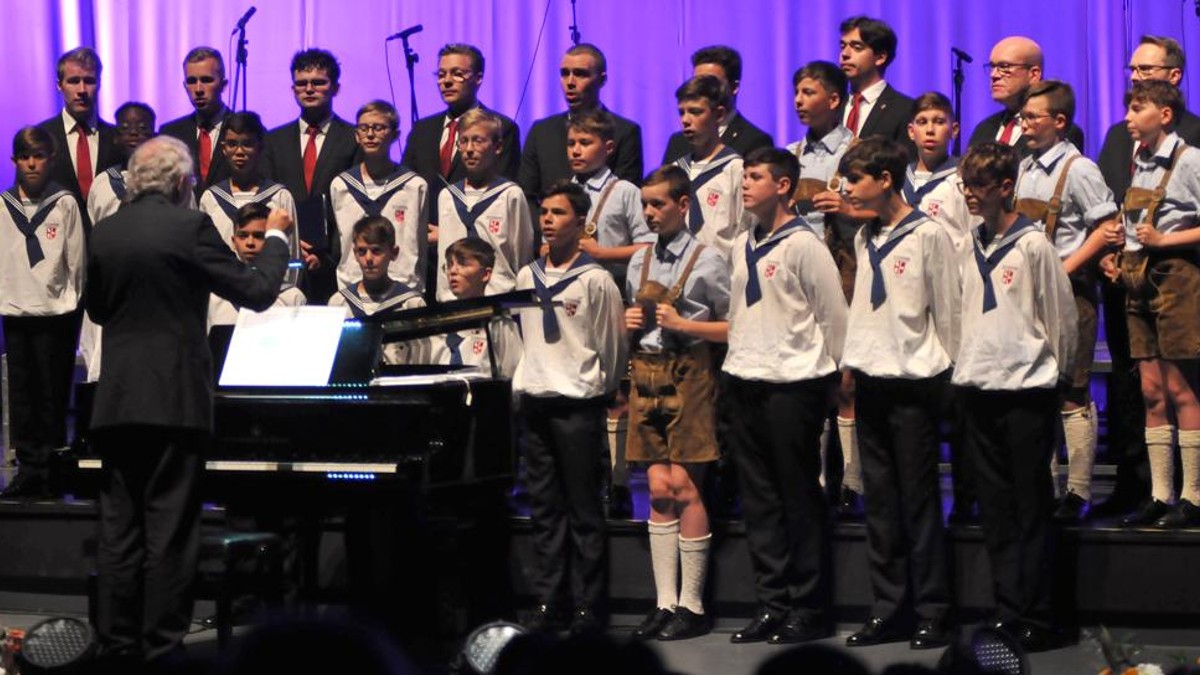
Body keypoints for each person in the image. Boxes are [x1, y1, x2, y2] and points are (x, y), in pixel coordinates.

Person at [85, 135, 292, 665]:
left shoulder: (105, 232)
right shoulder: (190, 226)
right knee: (170, 532)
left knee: (119, 531)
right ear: (181, 183)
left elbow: (102, 311)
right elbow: (257, 291)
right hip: (175, 400)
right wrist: (273, 237)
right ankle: (161, 652)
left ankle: (115, 648)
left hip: (118, 400)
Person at [952, 141, 1076, 652]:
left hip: (1026, 389)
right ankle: (1008, 607)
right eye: (965, 188)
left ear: (1006, 188)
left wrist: (1060, 376)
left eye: (978, 188)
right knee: (996, 509)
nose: (970, 198)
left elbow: (1060, 317)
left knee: (1030, 508)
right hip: (978, 387)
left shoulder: (1033, 246)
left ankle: (1039, 616)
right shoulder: (967, 244)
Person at [838, 138, 958, 650]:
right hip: (872, 378)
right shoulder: (866, 237)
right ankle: (889, 608)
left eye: (855, 179)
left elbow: (948, 311)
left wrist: (952, 377)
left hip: (915, 382)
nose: (845, 189)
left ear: (886, 179)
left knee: (919, 501)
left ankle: (932, 609)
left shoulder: (929, 235)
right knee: (880, 502)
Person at [726, 147, 847, 644]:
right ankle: (771, 604)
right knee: (759, 501)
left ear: (783, 186)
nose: (745, 185)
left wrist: (836, 378)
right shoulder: (741, 242)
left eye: (755, 177)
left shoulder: (804, 245)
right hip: (745, 379)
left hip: (794, 384)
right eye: (744, 177)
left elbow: (833, 315)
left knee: (799, 497)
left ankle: (808, 607)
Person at [1094, 35, 1200, 518]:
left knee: (1181, 389)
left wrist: (1162, 242)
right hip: (1136, 281)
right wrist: (1120, 250)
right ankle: (1160, 494)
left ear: (1165, 112)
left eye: (1138, 107)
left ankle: (1193, 494)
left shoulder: (1191, 156)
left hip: (1178, 281)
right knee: (1151, 390)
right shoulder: (1133, 154)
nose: (1127, 116)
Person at [515, 181, 626, 636]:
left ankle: (588, 606)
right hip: (538, 401)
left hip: (578, 405)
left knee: (583, 510)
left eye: (558, 213)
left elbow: (612, 344)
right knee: (545, 509)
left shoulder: (595, 279)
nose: (547, 220)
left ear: (580, 224)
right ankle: (550, 601)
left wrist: (605, 387)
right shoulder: (526, 276)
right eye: (544, 212)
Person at [625, 165, 729, 642]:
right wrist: (629, 324)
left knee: (686, 486)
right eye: (645, 204)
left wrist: (686, 326)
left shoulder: (709, 259)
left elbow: (732, 325)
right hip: (646, 371)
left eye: (658, 204)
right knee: (658, 486)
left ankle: (693, 603)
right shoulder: (638, 260)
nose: (649, 213)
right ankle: (664, 601)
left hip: (690, 371)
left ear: (683, 205)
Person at [1013, 80, 1120, 522]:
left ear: (1059, 122)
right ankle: (1044, 486)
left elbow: (1108, 227)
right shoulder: (1025, 166)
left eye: (1032, 118)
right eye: (1022, 117)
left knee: (1073, 388)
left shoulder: (1079, 169)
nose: (1025, 125)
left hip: (1069, 291)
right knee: (1037, 389)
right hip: (1026, 293)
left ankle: (1077, 492)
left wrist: (1065, 268)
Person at [787, 60, 867, 517]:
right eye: (797, 92)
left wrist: (847, 205)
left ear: (834, 99)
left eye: (809, 92)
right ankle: (815, 479)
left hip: (846, 267)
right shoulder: (791, 153)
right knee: (811, 374)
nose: (800, 100)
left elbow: (889, 209)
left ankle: (851, 481)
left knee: (846, 378)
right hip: (800, 271)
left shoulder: (858, 152)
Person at [0, 127, 86, 498]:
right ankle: (28, 467)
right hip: (15, 311)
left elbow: (77, 260)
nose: (32, 164)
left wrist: (71, 302)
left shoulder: (64, 202)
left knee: (52, 393)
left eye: (39, 157)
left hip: (55, 314)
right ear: (15, 161)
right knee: (22, 394)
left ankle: (52, 465)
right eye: (25, 157)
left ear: (51, 160)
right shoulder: (3, 205)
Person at [262, 48, 361, 305]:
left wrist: (326, 254)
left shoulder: (354, 138)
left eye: (318, 82)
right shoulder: (273, 140)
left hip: (337, 263)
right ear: (293, 89)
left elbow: (356, 204)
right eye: (302, 83)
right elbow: (268, 198)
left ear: (335, 88)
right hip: (285, 257)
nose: (309, 89)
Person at [81, 101, 157, 384]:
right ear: (115, 137)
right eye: (126, 128)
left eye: (143, 128)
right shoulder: (102, 184)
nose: (135, 134)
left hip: (153, 289)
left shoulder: (171, 181)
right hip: (111, 288)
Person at [402, 43, 520, 219]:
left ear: (478, 78)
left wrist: (450, 229)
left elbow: (501, 193)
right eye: (441, 75)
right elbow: (406, 187)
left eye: (457, 74)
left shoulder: (502, 127)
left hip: (475, 235)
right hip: (425, 238)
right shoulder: (422, 130)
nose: (446, 81)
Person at [519, 44, 643, 202]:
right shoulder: (541, 131)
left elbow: (626, 198)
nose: (570, 82)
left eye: (580, 74)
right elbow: (526, 197)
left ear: (602, 79)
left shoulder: (625, 131)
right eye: (564, 73)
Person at [435, 108, 534, 302]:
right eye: (464, 141)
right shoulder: (447, 196)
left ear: (497, 146)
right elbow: (443, 258)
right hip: (452, 304)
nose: (469, 149)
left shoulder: (510, 195)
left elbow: (521, 257)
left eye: (478, 141)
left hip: (498, 301)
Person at [330, 100, 428, 294]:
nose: (370, 134)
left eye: (379, 128)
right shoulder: (341, 185)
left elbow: (420, 246)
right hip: (353, 287)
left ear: (395, 135)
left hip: (403, 288)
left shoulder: (414, 186)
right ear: (357, 136)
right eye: (364, 128)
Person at [199, 112, 300, 276]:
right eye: (232, 144)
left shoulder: (280, 196)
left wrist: (284, 297)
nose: (239, 151)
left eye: (247, 144)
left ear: (260, 147)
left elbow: (292, 259)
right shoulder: (210, 199)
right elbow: (204, 257)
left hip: (272, 295)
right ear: (223, 149)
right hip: (223, 295)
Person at [328, 215, 428, 365]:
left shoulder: (411, 304)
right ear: (354, 254)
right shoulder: (339, 304)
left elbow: (423, 360)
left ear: (393, 253)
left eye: (376, 251)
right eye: (362, 251)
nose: (368, 258)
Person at [672, 75, 753, 258]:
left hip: (723, 274)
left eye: (695, 112)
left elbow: (745, 229)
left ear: (719, 115)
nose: (685, 120)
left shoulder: (736, 169)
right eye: (681, 112)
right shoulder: (676, 169)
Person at [967, 36, 1084, 154]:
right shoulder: (983, 129)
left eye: (1004, 67)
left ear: (1033, 74)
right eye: (992, 67)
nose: (994, 75)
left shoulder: (1057, 131)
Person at [36, 47, 117, 210]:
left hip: (109, 234)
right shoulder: (40, 138)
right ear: (59, 85)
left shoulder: (117, 138)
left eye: (89, 81)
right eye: (73, 81)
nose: (81, 90)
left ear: (99, 84)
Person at [661, 46, 773, 163]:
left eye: (711, 82)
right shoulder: (678, 142)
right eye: (698, 81)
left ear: (734, 87)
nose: (702, 89)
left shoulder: (755, 141)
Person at [430, 237, 522, 377]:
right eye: (449, 265)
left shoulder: (498, 322)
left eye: (463, 264)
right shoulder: (438, 324)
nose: (453, 271)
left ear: (485, 274)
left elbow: (511, 371)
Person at [208, 202, 307, 330]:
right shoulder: (215, 299)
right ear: (233, 241)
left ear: (271, 239)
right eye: (243, 236)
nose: (250, 243)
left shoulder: (292, 297)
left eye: (258, 236)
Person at [903, 92, 973, 254]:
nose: (930, 130)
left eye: (939, 122)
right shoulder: (899, 178)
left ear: (954, 130)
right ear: (911, 131)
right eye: (922, 122)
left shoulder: (963, 178)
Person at [159, 47, 231, 198]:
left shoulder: (244, 131)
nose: (198, 89)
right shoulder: (170, 135)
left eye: (206, 80)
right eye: (191, 81)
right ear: (184, 86)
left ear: (223, 84)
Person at [837, 16, 914, 150]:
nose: (845, 54)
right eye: (843, 46)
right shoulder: (832, 106)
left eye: (857, 47)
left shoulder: (905, 109)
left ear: (880, 58)